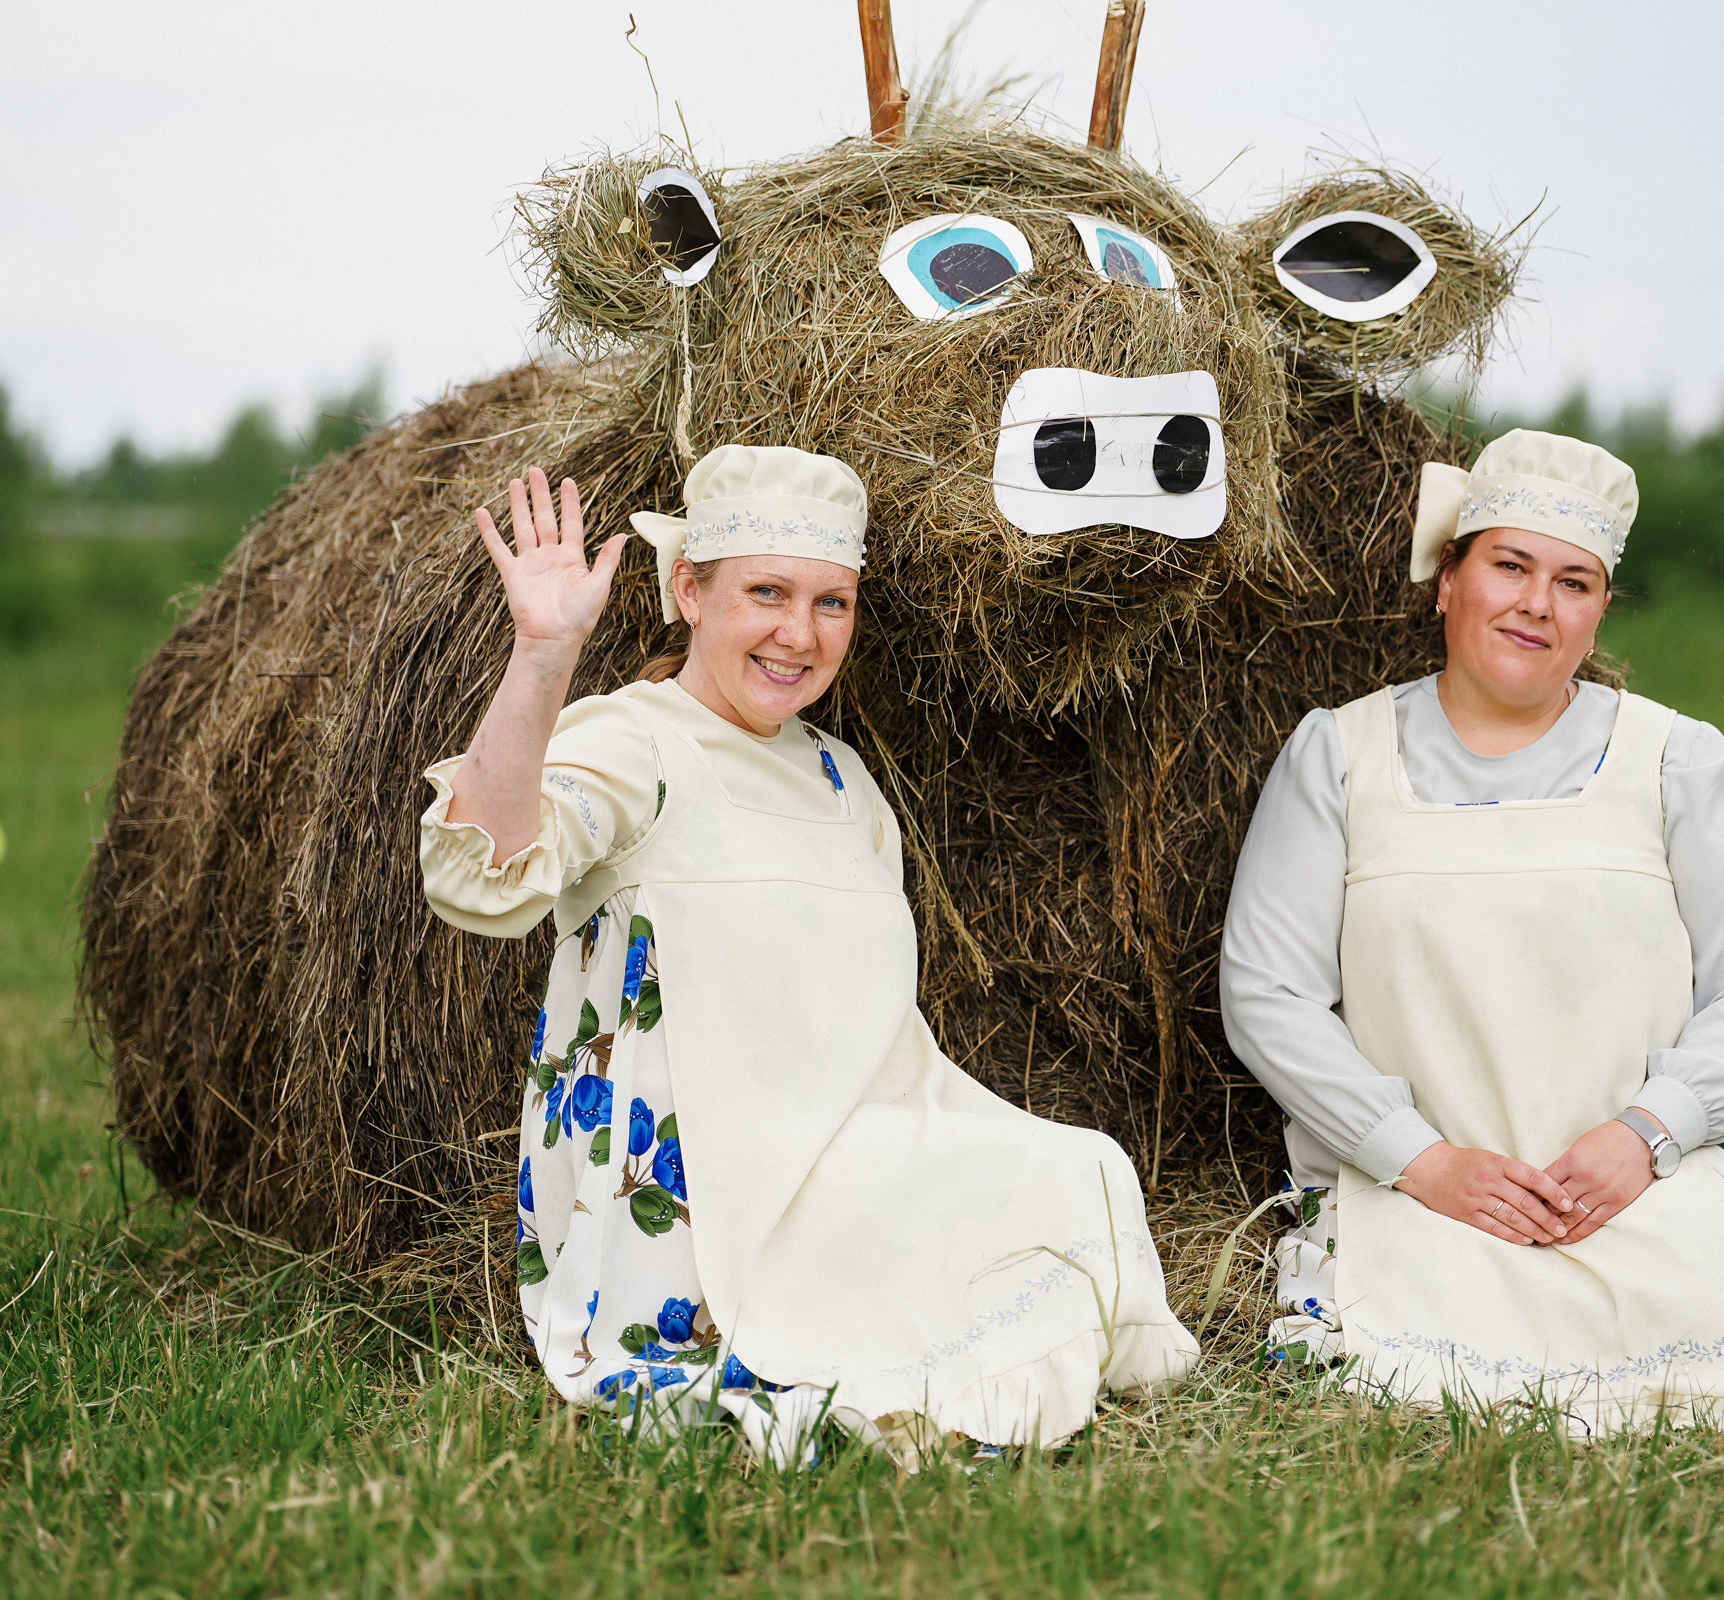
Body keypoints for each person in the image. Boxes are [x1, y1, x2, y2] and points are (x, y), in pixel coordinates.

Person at [1219, 430, 1724, 1432]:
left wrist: (1645, 1137)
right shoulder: (1339, 756)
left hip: (1635, 1184)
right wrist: (1424, 1161)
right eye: (1510, 566)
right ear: (1448, 581)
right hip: (1417, 1189)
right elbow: (1269, 995)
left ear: (1600, 610)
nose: (1537, 604)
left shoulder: (1674, 758)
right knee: (1401, 1368)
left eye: (1574, 583)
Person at [420, 445, 1198, 1466]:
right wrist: (543, 653)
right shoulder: (633, 742)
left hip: (839, 1146)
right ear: (689, 592)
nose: (800, 633)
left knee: (1081, 1169)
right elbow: (484, 878)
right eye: (767, 593)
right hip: (700, 1176)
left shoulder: (843, 780)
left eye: (831, 603)